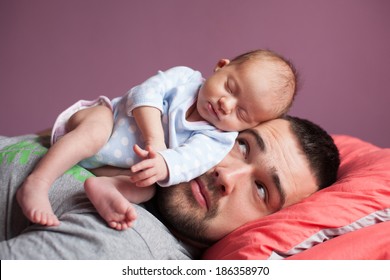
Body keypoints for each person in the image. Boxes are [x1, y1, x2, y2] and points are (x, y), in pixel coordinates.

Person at [16, 49, 299, 229]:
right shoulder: (185, 79)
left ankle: (105, 187)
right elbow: (144, 94)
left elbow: (189, 160)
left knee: (147, 188)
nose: (226, 104)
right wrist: (155, 139)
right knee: (95, 131)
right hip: (103, 120)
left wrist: (163, 164)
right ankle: (37, 183)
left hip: (111, 164)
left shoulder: (218, 140)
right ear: (221, 66)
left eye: (241, 111)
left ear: (251, 125)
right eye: (230, 87)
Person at [0, 116, 340, 259]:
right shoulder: (136, 157)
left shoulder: (126, 245)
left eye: (263, 190)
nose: (227, 176)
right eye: (242, 146)